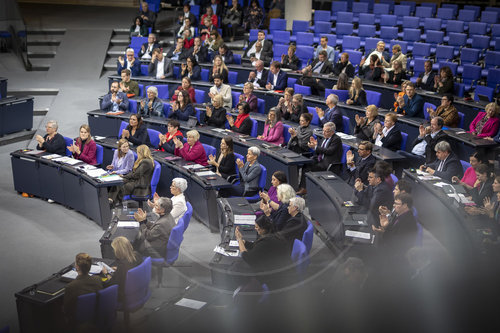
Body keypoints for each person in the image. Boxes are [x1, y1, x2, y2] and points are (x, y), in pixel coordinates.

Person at [234, 215, 291, 286]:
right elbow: (256, 247)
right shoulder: (273, 235)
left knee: (236, 267)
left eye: (257, 227)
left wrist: (239, 239)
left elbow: (247, 257)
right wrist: (244, 242)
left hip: (271, 276)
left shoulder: (266, 242)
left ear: (263, 229)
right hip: (277, 269)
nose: (255, 229)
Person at [298, 122, 343, 195]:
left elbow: (329, 151)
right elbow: (320, 151)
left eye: (326, 131)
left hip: (328, 163)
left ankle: (304, 189)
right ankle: (302, 187)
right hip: (319, 160)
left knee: (308, 168)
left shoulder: (336, 139)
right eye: (323, 131)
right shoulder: (324, 138)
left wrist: (315, 147)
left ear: (332, 132)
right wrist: (314, 146)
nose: (324, 133)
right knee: (305, 164)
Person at [372, 193, 418, 259]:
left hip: (395, 256)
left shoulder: (408, 222)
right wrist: (385, 227)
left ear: (405, 205)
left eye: (396, 204)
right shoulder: (400, 215)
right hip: (390, 250)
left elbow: (395, 243)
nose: (394, 205)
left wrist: (384, 232)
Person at [63, 253, 103, 325]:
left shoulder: (70, 286)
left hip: (78, 321)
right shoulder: (98, 279)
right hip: (96, 315)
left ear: (77, 267)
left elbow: (67, 310)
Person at [101, 237, 142, 302]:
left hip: (122, 296)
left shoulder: (122, 266)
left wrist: (106, 273)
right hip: (136, 289)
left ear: (118, 251)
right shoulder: (137, 255)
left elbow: (113, 284)